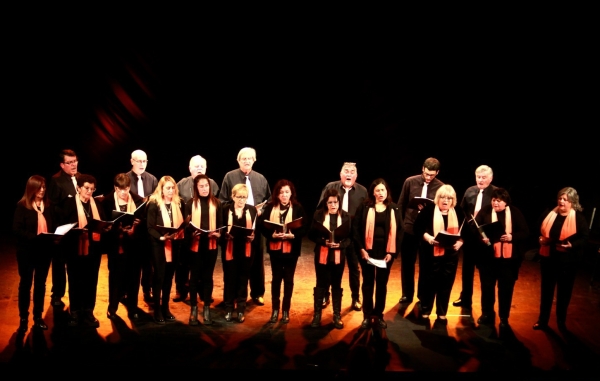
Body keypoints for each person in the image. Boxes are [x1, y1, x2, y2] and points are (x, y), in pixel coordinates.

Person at [219, 147, 270, 306]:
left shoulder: (261, 178)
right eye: (244, 159)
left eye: (250, 158)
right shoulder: (230, 176)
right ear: (238, 160)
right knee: (235, 262)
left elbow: (268, 200)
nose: (247, 161)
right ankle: (234, 295)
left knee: (256, 260)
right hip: (235, 227)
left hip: (255, 226)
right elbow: (222, 201)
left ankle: (257, 293)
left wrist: (261, 211)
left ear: (254, 160)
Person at [534, 187, 589, 331]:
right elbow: (538, 229)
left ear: (572, 202)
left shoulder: (578, 217)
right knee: (546, 292)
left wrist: (572, 244)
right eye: (560, 198)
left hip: (568, 262)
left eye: (565, 199)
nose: (561, 201)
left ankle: (560, 322)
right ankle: (543, 320)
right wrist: (540, 239)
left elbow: (584, 237)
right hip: (548, 258)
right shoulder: (550, 213)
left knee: (564, 293)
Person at [474, 188, 529, 328]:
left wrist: (512, 237)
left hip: (509, 261)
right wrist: (483, 238)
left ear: (506, 202)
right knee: (487, 288)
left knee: (505, 290)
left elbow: (525, 232)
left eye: (499, 201)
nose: (495, 203)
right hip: (488, 259)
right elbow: (475, 229)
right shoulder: (485, 211)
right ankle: (487, 313)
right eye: (493, 200)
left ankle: (504, 317)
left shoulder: (515, 212)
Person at [317, 162, 367, 311]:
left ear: (356, 176)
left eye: (352, 171)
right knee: (327, 267)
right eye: (346, 171)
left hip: (352, 237)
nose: (349, 174)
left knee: (354, 268)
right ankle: (326, 295)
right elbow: (320, 208)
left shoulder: (363, 191)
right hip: (332, 235)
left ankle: (355, 297)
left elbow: (365, 215)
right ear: (341, 174)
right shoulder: (330, 187)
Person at [353, 178, 401, 329]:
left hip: (385, 253)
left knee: (381, 284)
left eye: (383, 190)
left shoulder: (394, 208)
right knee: (368, 283)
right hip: (367, 252)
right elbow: (355, 229)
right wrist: (361, 248)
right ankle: (367, 315)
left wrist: (392, 253)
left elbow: (400, 232)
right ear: (372, 192)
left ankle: (378, 315)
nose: (381, 193)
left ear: (387, 192)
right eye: (378, 190)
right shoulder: (365, 207)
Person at [414, 185, 465, 322]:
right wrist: (429, 238)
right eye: (442, 197)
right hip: (430, 255)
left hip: (450, 256)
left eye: (449, 198)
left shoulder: (458, 212)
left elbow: (466, 232)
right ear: (438, 198)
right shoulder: (428, 210)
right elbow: (417, 229)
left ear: (453, 200)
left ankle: (442, 313)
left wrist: (460, 242)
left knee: (446, 283)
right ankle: (425, 310)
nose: (445, 200)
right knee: (429, 283)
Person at [397, 157, 444, 305]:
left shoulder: (441, 187)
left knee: (426, 264)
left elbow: (443, 208)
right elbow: (401, 204)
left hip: (427, 231)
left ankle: (422, 294)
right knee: (407, 263)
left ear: (437, 172)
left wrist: (428, 209)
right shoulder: (410, 181)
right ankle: (407, 294)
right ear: (422, 169)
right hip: (410, 228)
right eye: (426, 174)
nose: (428, 177)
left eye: (432, 175)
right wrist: (401, 226)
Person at [60, 174, 105, 327]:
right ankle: (75, 311)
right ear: (78, 188)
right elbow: (62, 227)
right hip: (74, 249)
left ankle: (88, 311)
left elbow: (102, 223)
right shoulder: (69, 204)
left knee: (91, 281)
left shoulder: (97, 205)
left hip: (93, 250)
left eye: (92, 189)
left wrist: (106, 227)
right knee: (75, 280)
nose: (89, 191)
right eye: (86, 188)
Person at [13, 175, 56, 333]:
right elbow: (17, 230)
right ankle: (23, 318)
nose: (42, 190)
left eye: (44, 187)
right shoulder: (22, 206)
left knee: (40, 285)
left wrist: (55, 236)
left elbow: (53, 226)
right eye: (39, 188)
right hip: (27, 252)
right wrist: (36, 238)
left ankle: (38, 317)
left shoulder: (48, 206)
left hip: (44, 253)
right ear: (32, 188)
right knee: (25, 284)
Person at [260, 179, 307, 324]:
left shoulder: (298, 208)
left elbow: (304, 228)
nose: (284, 195)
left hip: (291, 250)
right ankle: (275, 310)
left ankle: (285, 310)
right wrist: (271, 235)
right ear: (277, 195)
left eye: (287, 192)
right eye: (281, 193)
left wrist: (293, 235)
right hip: (275, 250)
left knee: (288, 280)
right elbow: (263, 227)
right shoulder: (269, 208)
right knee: (276, 279)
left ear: (291, 193)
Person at [175, 155, 219, 303]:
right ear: (190, 168)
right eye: (196, 166)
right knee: (183, 264)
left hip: (207, 235)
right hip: (187, 233)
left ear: (206, 168)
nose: (199, 168)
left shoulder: (211, 183)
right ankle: (181, 291)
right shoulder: (181, 184)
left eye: (202, 166)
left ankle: (203, 292)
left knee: (204, 267)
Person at [453, 165, 497, 310]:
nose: (480, 180)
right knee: (467, 271)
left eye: (484, 177)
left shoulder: (496, 193)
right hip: (470, 238)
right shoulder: (470, 191)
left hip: (485, 239)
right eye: (478, 177)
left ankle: (487, 307)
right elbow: (462, 211)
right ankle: (465, 298)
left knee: (486, 274)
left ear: (490, 178)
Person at [308, 188, 351, 329]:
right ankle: (317, 315)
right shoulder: (318, 215)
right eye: (330, 202)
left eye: (335, 202)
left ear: (339, 202)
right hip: (322, 254)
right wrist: (323, 242)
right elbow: (311, 235)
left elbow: (350, 238)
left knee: (336, 284)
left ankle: (337, 315)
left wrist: (340, 244)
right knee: (321, 283)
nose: (333, 205)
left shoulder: (345, 216)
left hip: (338, 255)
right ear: (326, 203)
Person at [102, 174, 143, 320]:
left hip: (134, 246)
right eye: (120, 190)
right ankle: (112, 307)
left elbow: (143, 224)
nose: (124, 193)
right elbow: (104, 226)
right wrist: (116, 229)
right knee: (115, 277)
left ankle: (133, 308)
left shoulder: (138, 200)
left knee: (133, 277)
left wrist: (136, 226)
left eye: (126, 189)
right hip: (116, 246)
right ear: (115, 188)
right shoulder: (107, 202)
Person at [184, 174, 223, 325]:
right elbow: (186, 226)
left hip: (211, 245)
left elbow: (221, 225)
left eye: (206, 186)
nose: (204, 189)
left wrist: (218, 234)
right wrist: (191, 232)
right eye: (201, 186)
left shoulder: (217, 203)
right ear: (196, 188)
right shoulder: (190, 204)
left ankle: (206, 308)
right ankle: (194, 308)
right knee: (194, 278)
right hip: (195, 246)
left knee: (208, 277)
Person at [147, 176, 185, 324]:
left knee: (169, 277)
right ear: (161, 189)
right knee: (159, 277)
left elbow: (182, 223)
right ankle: (157, 309)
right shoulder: (154, 203)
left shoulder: (178, 202)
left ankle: (165, 307)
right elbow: (149, 227)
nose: (171, 191)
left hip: (174, 244)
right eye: (168, 188)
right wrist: (161, 238)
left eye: (172, 188)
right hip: (159, 244)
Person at [47, 149, 80, 308]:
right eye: (69, 162)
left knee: (76, 265)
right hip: (62, 230)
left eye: (75, 161)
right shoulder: (56, 180)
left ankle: (77, 295)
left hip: (79, 230)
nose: (73, 165)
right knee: (59, 265)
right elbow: (53, 207)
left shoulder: (81, 178)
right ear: (62, 165)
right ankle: (57, 295)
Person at [220, 184, 257, 323]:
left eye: (244, 197)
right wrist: (225, 235)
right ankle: (229, 308)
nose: (242, 200)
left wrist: (253, 237)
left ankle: (241, 309)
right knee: (229, 280)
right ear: (233, 197)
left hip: (246, 250)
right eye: (239, 197)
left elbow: (255, 230)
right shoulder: (225, 209)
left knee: (243, 280)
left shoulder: (252, 210)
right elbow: (221, 228)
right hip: (230, 248)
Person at [126, 149, 158, 305]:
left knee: (148, 263)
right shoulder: (125, 178)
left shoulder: (152, 179)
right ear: (132, 161)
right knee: (131, 264)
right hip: (130, 227)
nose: (141, 164)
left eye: (144, 161)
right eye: (138, 161)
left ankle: (147, 290)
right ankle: (128, 293)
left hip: (147, 227)